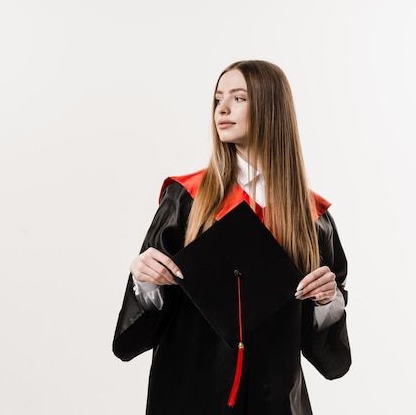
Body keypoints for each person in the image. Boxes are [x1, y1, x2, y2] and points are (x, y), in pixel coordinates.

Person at [112, 60, 351, 415]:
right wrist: (145, 281)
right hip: (188, 397)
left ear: (271, 107)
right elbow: (137, 337)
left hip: (276, 401)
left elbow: (327, 355)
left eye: (238, 98)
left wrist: (326, 301)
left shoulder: (311, 217)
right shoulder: (188, 198)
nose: (222, 109)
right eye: (218, 99)